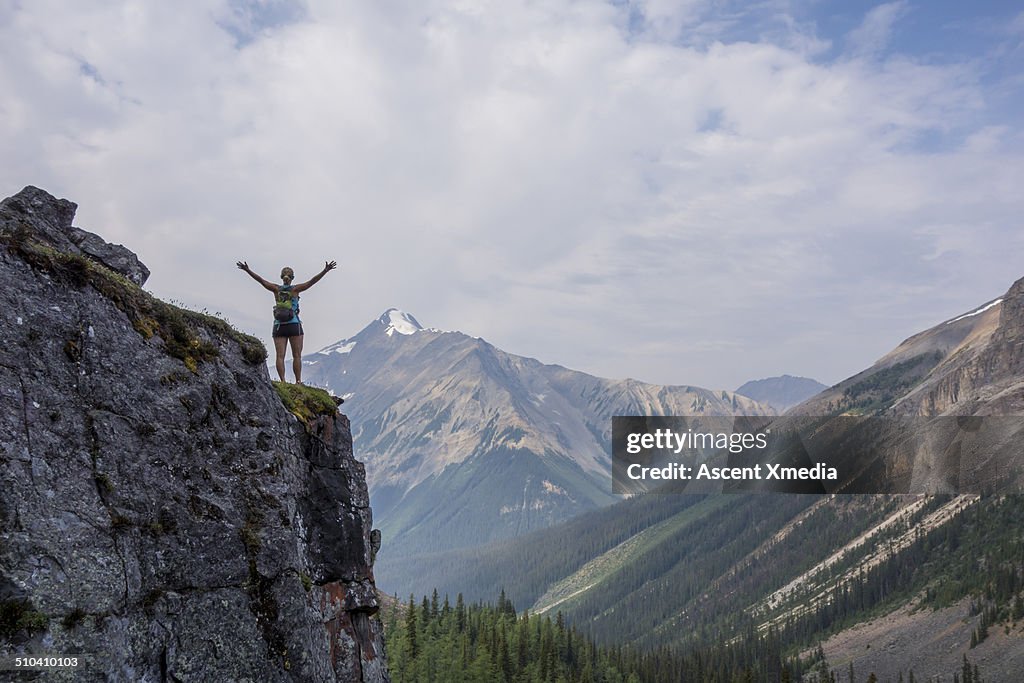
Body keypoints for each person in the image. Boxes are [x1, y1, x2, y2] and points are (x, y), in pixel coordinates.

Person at [236, 260, 337, 384]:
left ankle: (283, 381)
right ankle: (298, 381)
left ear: (281, 277)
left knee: (280, 356)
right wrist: (325, 271)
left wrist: (247, 270)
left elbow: (261, 280)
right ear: (292, 277)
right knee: (297, 356)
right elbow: (312, 282)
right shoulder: (295, 289)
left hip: (279, 326)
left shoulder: (275, 289)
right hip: (294, 324)